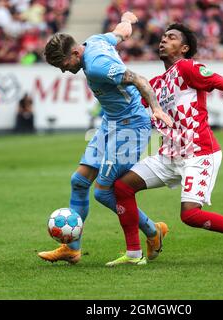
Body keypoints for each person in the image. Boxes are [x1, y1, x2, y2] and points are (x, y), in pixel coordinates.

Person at [107, 23, 223, 266]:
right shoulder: (156, 84)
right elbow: (136, 111)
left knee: (190, 215)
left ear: (184, 48)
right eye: (163, 37)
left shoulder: (188, 68)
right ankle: (134, 254)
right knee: (122, 188)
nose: (163, 40)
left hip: (199, 152)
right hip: (169, 155)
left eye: (171, 37)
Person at [38, 12, 173, 265]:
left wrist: (155, 108)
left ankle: (153, 231)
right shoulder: (96, 40)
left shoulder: (98, 64)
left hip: (131, 127)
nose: (66, 72)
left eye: (63, 66)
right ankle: (71, 249)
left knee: (103, 192)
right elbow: (121, 32)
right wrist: (128, 19)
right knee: (79, 181)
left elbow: (139, 79)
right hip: (110, 123)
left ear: (75, 54)